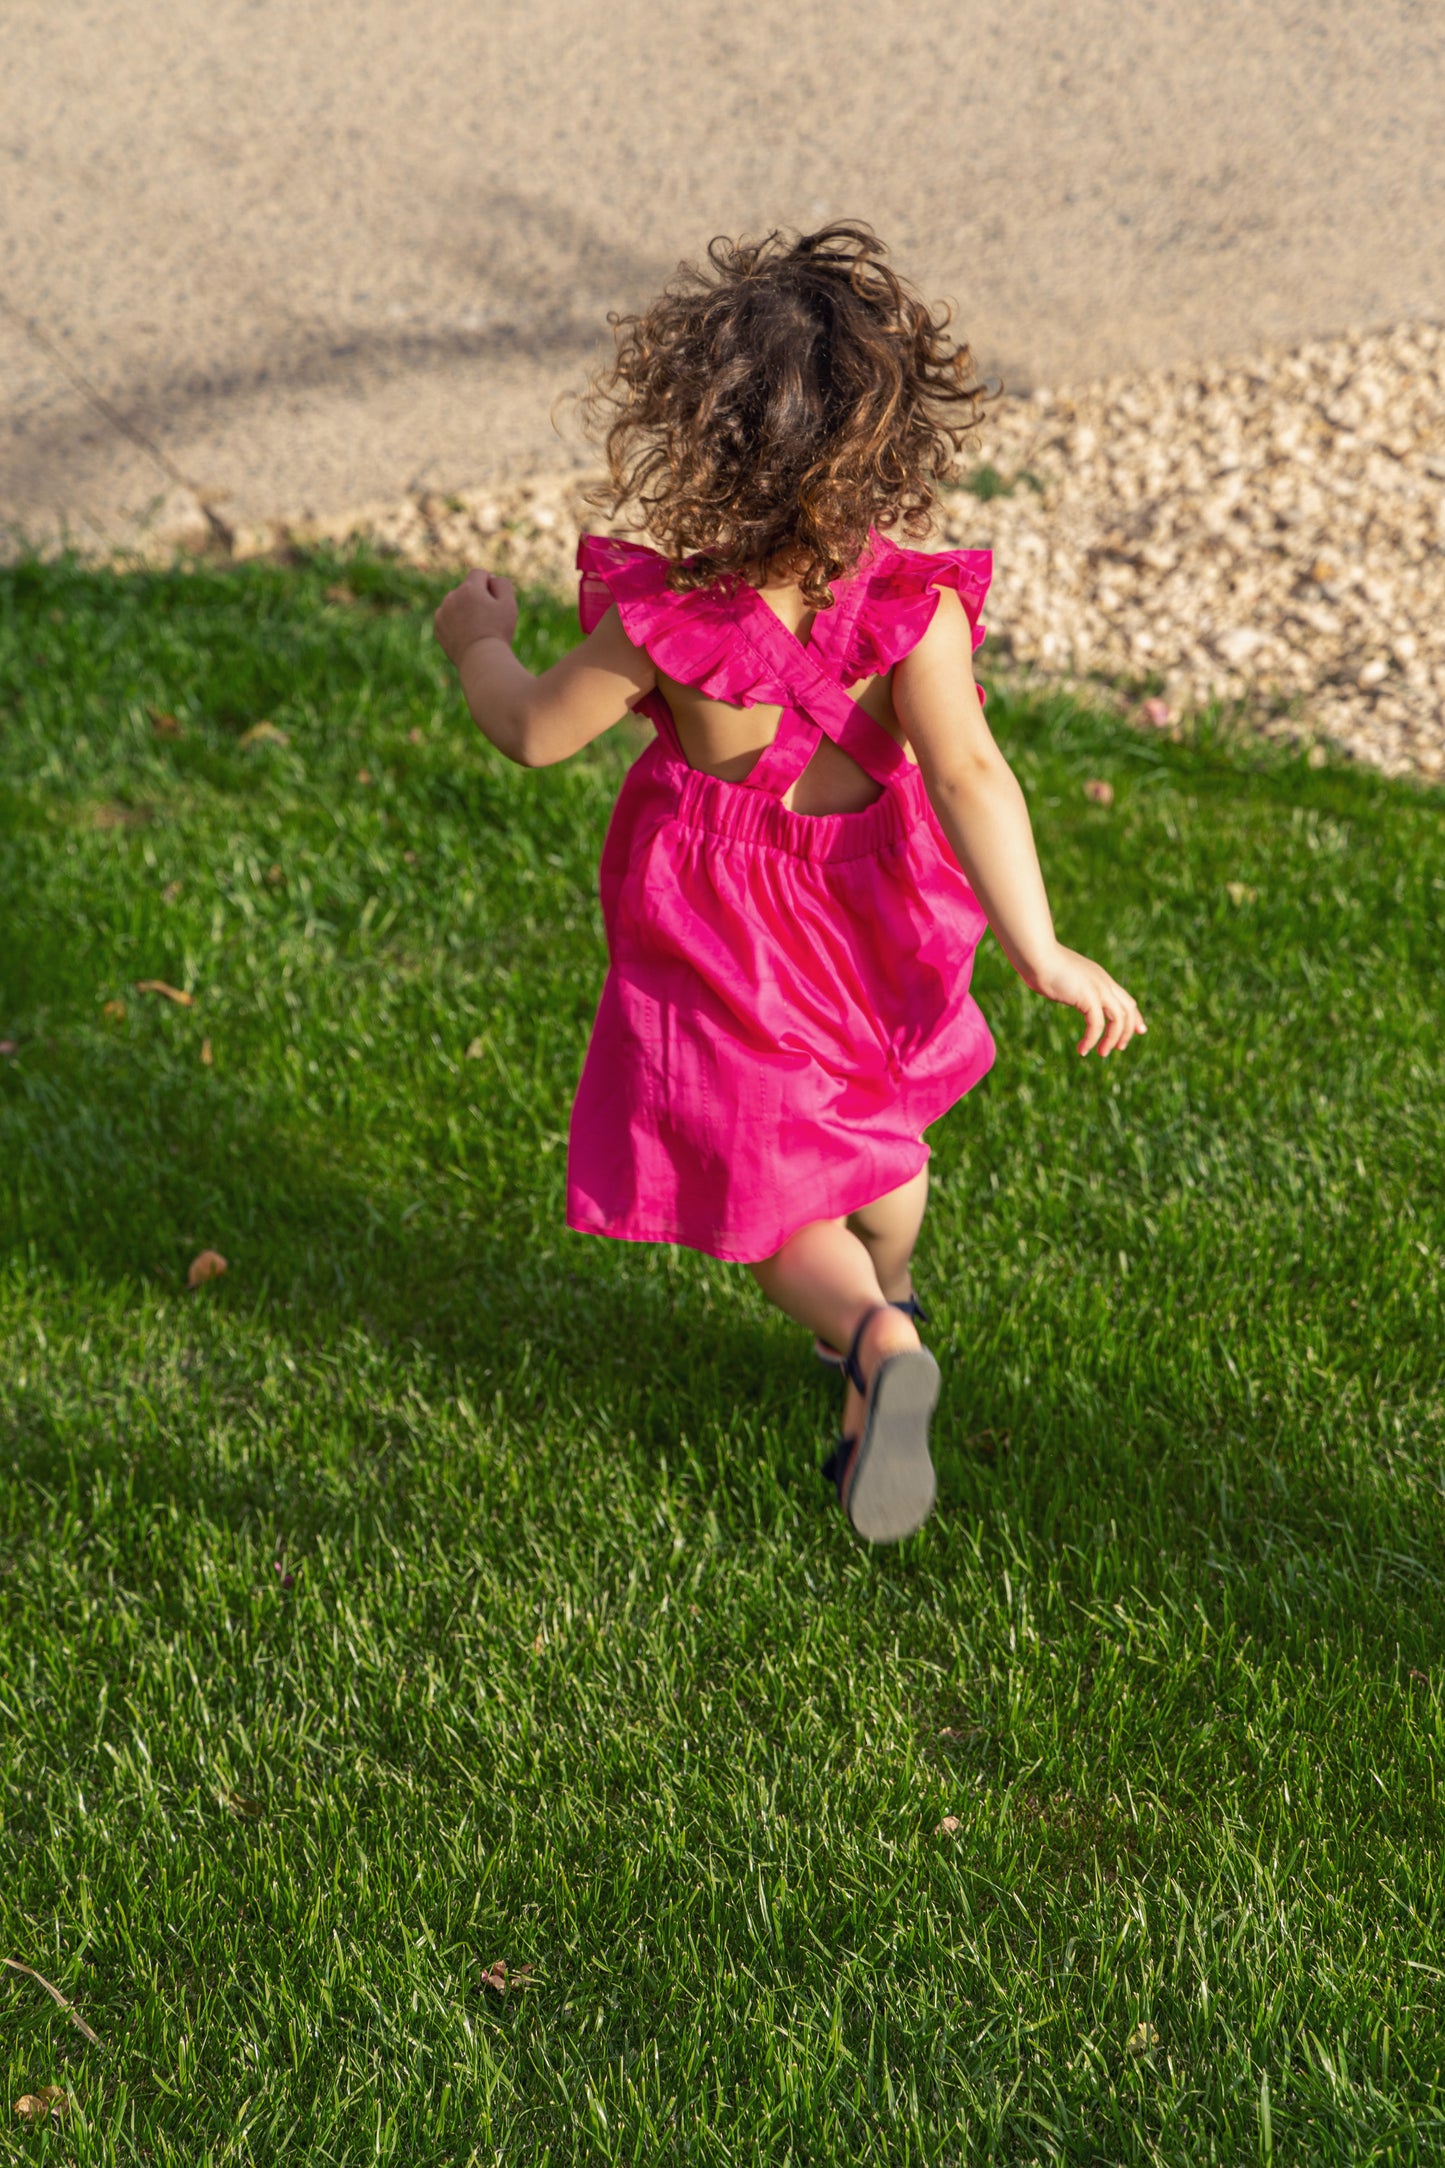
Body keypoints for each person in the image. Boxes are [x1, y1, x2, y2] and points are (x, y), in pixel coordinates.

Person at [434, 224, 1145, 1544]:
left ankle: (871, 1341)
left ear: (699, 437)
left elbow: (532, 729)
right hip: (882, 910)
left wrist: (478, 640)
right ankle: (894, 1288)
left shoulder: (666, 625)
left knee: (765, 1191)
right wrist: (1040, 950)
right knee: (878, 1133)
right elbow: (975, 772)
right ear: (890, 439)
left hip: (724, 932)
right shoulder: (912, 607)